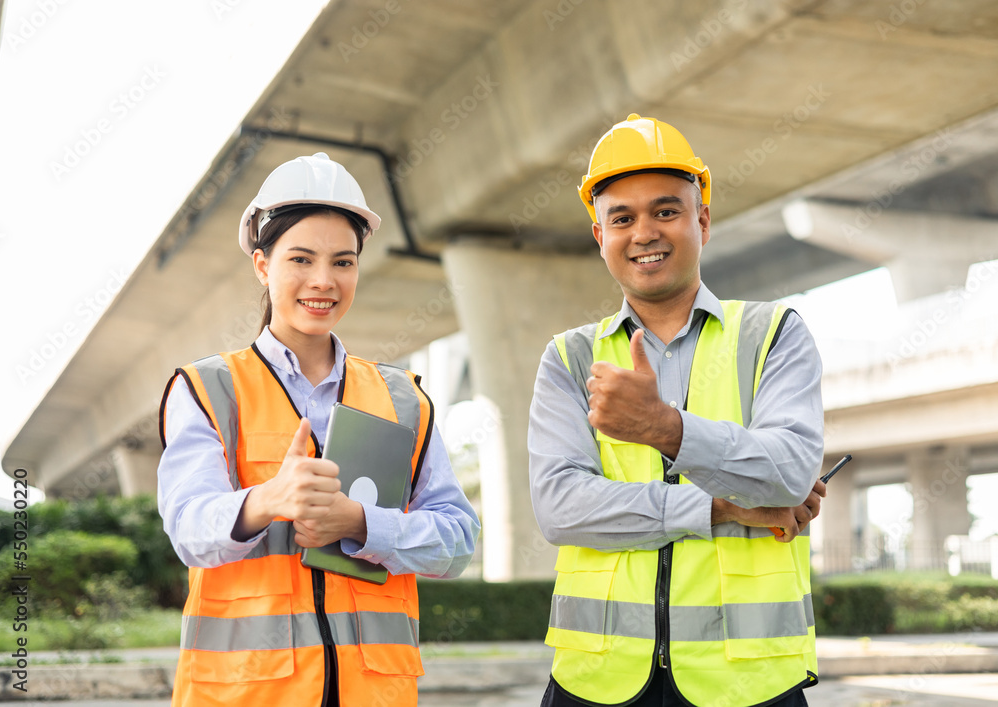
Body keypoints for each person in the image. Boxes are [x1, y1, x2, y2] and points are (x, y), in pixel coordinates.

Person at [157, 153, 480, 706]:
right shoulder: (210, 389)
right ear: (262, 264)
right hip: (249, 694)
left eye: (343, 262)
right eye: (301, 259)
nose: (323, 281)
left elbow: (456, 541)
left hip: (373, 693)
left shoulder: (403, 398)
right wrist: (265, 501)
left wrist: (360, 523)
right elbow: (188, 529)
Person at [528, 115, 827, 707]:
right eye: (622, 218)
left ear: (703, 220)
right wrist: (719, 506)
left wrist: (664, 429)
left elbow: (790, 471)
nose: (644, 232)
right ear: (599, 235)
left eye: (666, 211)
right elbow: (561, 507)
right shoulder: (569, 356)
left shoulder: (772, 334)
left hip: (746, 682)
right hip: (598, 678)